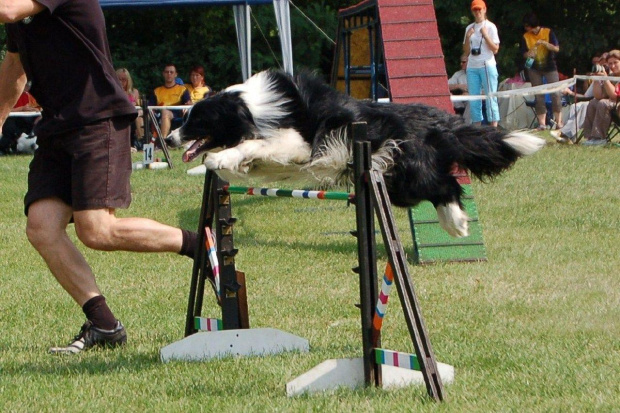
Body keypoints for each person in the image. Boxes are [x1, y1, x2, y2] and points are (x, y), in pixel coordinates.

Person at [0, 0, 198, 354]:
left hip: (97, 119)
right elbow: (14, 67)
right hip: (57, 128)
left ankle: (200, 245)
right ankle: (104, 324)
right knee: (42, 227)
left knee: (97, 230)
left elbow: (9, 10)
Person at [520, 12, 562, 130]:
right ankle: (542, 124)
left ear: (531, 24)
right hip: (534, 68)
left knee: (555, 93)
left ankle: (559, 122)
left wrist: (544, 43)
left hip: (550, 67)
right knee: (538, 95)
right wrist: (530, 53)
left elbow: (556, 48)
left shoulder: (548, 32)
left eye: (527, 26)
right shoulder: (526, 36)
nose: (526, 28)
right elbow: (524, 54)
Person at [463, 0, 500, 127]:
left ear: (484, 10)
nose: (477, 12)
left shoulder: (490, 27)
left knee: (491, 96)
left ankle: (493, 126)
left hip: (487, 65)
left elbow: (495, 49)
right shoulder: (469, 28)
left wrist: (485, 35)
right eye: (475, 10)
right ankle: (477, 128)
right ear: (472, 11)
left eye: (479, 9)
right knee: (474, 98)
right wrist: (468, 38)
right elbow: (466, 52)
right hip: (472, 66)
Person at [580, 49, 620, 146]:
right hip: (612, 106)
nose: (613, 66)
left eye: (615, 62)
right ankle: (590, 137)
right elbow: (598, 96)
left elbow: (615, 96)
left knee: (603, 103)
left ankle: (599, 137)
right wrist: (597, 79)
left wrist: (605, 80)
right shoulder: (610, 76)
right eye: (610, 64)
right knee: (593, 102)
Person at [151, 64, 191, 138]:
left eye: (171, 72)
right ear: (163, 74)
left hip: (176, 115)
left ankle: (163, 141)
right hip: (158, 115)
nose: (169, 74)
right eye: (167, 72)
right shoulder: (157, 91)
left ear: (175, 74)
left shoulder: (182, 89)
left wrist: (187, 107)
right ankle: (142, 140)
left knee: (165, 112)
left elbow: (188, 104)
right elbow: (150, 107)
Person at [0, 81, 41, 154]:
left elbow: (37, 107)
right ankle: (4, 147)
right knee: (10, 128)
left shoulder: (28, 95)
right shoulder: (10, 96)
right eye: (26, 86)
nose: (27, 88)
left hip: (26, 119)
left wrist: (34, 108)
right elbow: (4, 109)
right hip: (11, 119)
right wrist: (21, 108)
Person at [116, 68, 144, 151]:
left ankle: (140, 141)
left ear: (128, 80)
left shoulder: (134, 92)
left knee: (139, 118)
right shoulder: (114, 93)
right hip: (121, 115)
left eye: (124, 80)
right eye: (119, 79)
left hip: (133, 116)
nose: (121, 82)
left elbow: (140, 106)